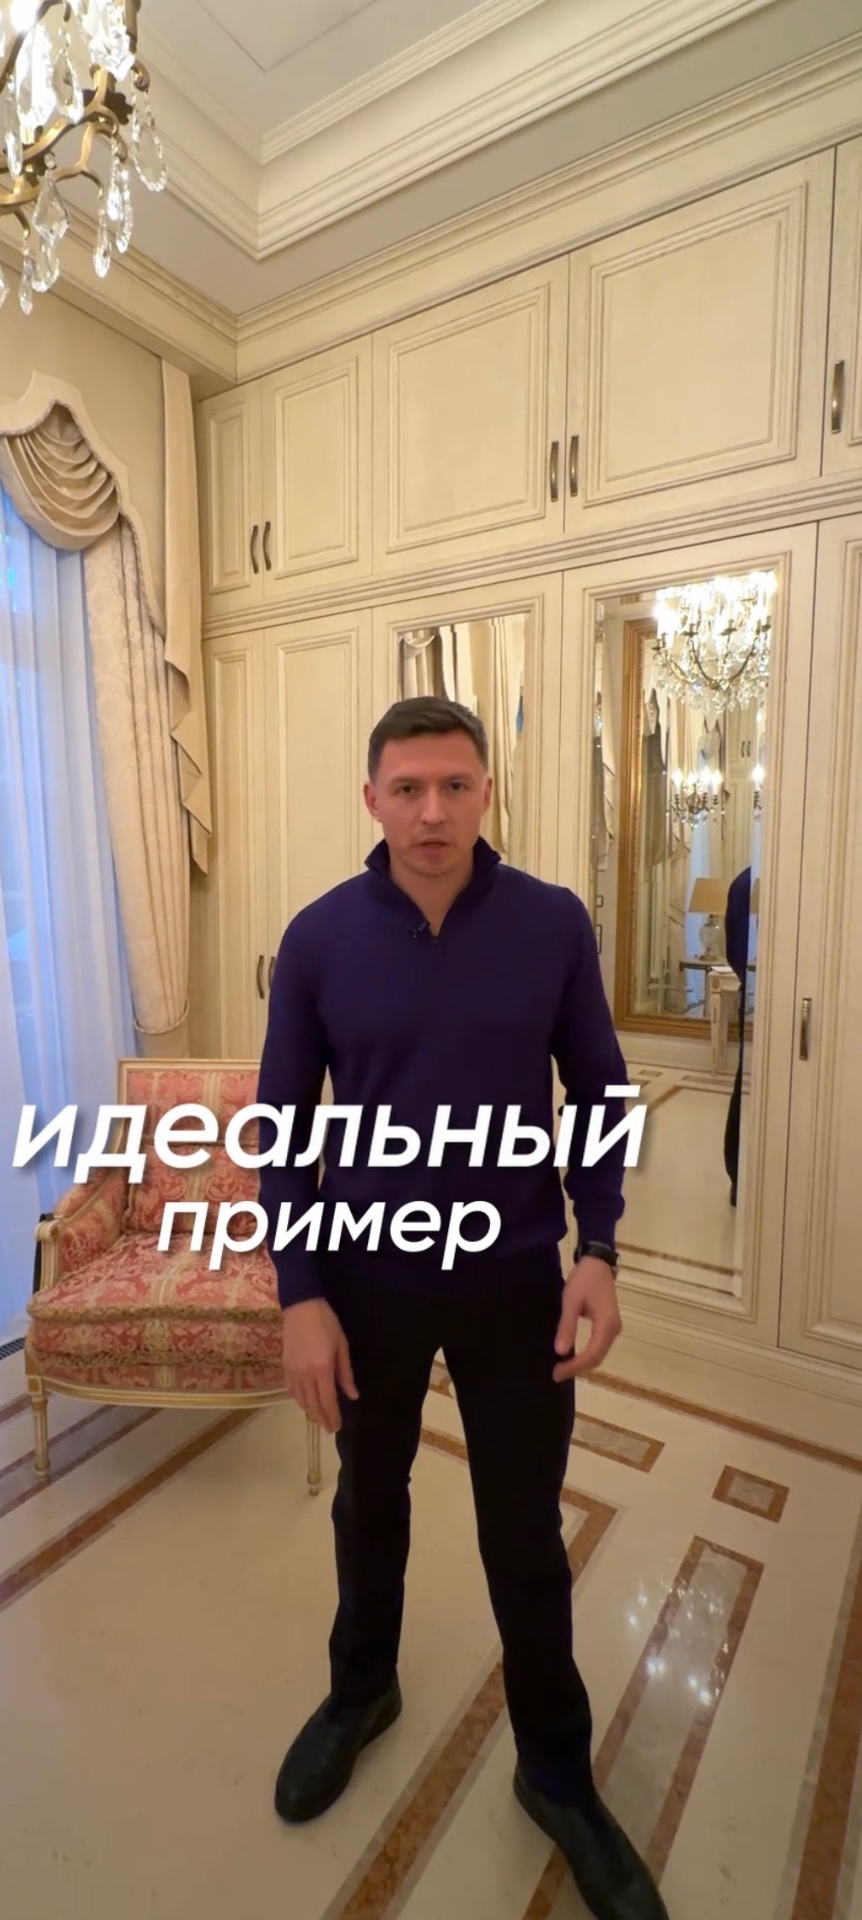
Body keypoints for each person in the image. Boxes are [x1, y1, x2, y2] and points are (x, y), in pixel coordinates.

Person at [255, 696, 666, 1920]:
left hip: (514, 1277)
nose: (431, 811)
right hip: (368, 1275)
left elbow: (599, 1093)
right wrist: (301, 1293)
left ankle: (555, 1770)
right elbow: (284, 1131)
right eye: (408, 788)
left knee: (524, 1530)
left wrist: (601, 1248)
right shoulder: (319, 939)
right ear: (371, 799)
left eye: (454, 786)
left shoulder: (550, 923)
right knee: (368, 1504)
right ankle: (360, 1690)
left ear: (486, 792)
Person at [723, 866, 751, 1207]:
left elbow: (734, 954)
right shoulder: (748, 884)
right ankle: (739, 1175)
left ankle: (739, 1176)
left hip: (753, 994)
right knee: (746, 1086)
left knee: (745, 1084)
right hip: (759, 998)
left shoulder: (744, 882)